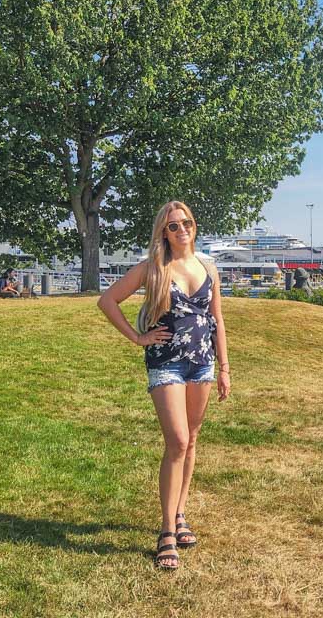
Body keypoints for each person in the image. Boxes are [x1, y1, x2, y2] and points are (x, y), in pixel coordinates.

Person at [97, 201, 230, 571]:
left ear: (194, 226)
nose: (181, 230)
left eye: (186, 223)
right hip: (166, 364)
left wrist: (225, 368)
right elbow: (107, 301)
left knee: (192, 441)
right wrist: (138, 338)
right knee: (177, 442)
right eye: (173, 226)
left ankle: (181, 512)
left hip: (202, 364)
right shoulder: (152, 268)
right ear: (163, 232)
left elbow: (217, 318)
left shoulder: (209, 267)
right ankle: (167, 531)